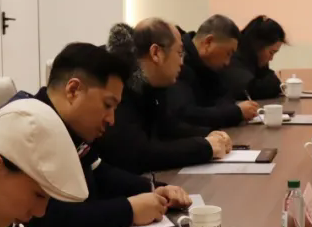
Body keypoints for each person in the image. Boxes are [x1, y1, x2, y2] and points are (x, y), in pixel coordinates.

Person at [11, 42, 195, 227]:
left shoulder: (65, 125)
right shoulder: (28, 129)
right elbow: (45, 220)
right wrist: (129, 210)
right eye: (107, 105)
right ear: (73, 90)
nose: (111, 120)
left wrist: (153, 189)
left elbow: (98, 171)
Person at [95, 18, 232, 173]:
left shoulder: (152, 85)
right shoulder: (117, 82)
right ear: (156, 53)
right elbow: (138, 154)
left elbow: (168, 127)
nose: (182, 62)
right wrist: (205, 147)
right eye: (179, 53)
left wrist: (208, 135)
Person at [170, 15, 258, 128]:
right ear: (208, 42)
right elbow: (187, 115)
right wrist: (236, 112)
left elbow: (224, 99)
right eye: (228, 53)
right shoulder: (179, 63)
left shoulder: (207, 65)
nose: (227, 63)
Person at [223, 15, 287, 100]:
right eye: (271, 52)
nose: (271, 58)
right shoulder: (234, 57)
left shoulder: (254, 59)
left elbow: (269, 80)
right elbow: (252, 90)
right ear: (257, 45)